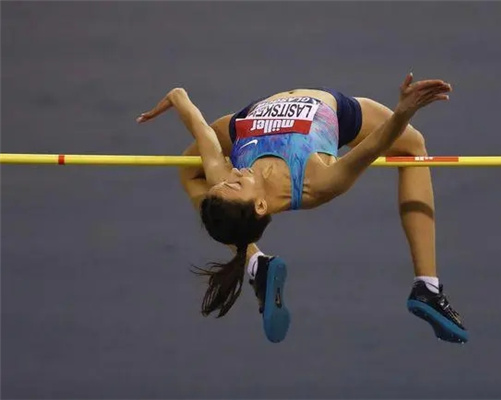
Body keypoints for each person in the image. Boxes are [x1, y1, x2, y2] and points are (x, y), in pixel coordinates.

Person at [136, 73, 468, 344]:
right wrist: (404, 111)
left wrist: (175, 97)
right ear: (260, 205)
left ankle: (254, 263)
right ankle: (427, 287)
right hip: (329, 110)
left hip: (248, 120)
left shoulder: (224, 179)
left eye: (227, 179)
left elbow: (196, 121)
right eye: (236, 184)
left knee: (189, 169)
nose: (233, 173)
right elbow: (373, 146)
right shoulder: (316, 181)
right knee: (413, 147)